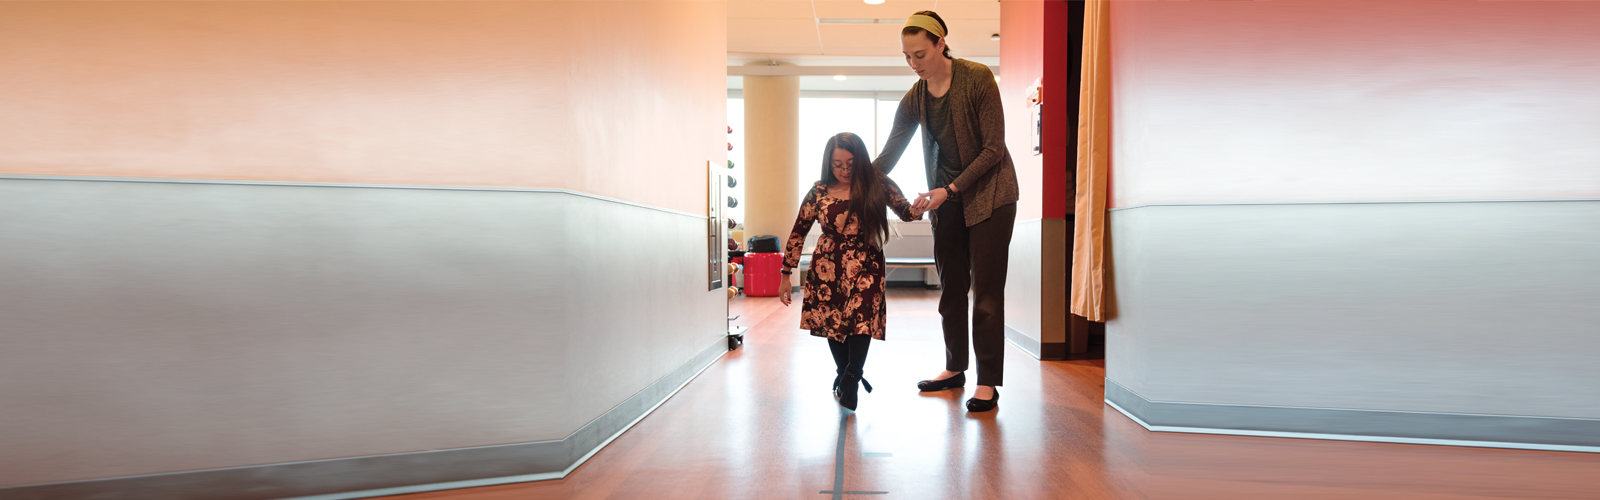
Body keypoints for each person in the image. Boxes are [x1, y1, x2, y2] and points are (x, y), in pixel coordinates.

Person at [873, 11, 1020, 413]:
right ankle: (955, 368)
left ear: (941, 43)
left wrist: (950, 188)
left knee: (986, 294)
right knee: (951, 288)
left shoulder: (977, 78)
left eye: (920, 53)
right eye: (907, 56)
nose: (914, 63)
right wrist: (847, 182)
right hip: (946, 201)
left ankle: (987, 382)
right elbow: (888, 156)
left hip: (991, 194)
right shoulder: (916, 98)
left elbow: (993, 148)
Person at [779, 132, 921, 411]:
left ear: (861, 161)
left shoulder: (877, 182)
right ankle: (845, 374)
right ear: (828, 163)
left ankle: (852, 379)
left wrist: (922, 207)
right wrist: (787, 273)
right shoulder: (818, 190)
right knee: (834, 323)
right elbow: (799, 230)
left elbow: (906, 212)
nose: (844, 170)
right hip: (828, 265)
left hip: (867, 261)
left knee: (862, 318)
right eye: (837, 164)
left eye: (850, 163)